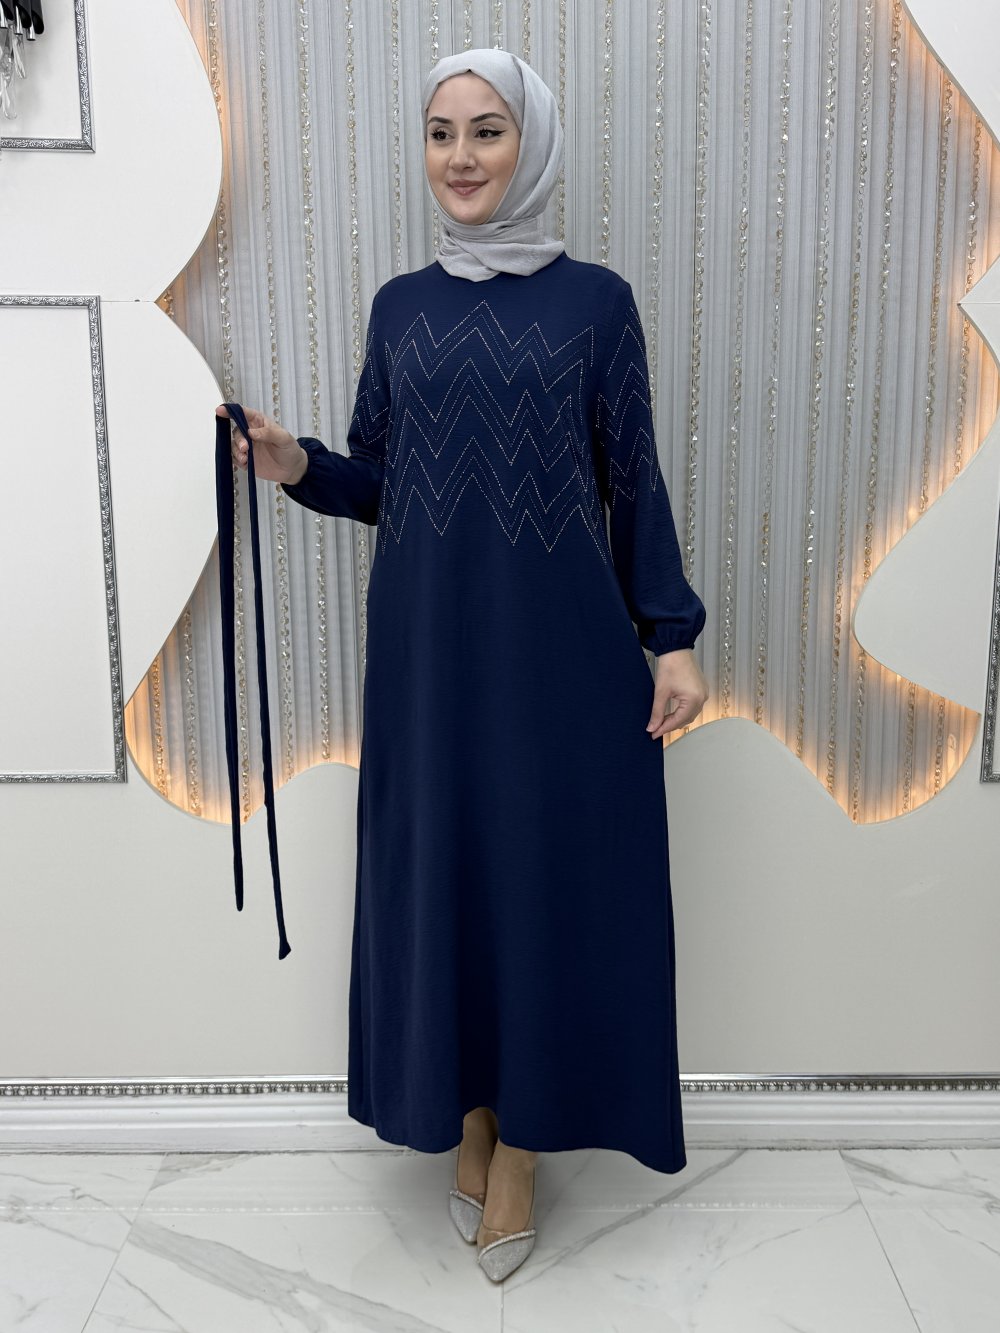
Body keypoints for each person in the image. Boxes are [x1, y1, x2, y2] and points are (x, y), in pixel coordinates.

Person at [217, 47, 708, 1283]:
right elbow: (383, 480)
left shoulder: (596, 305)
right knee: (451, 878)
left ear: (529, 143)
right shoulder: (402, 307)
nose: (462, 156)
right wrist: (294, 463)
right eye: (441, 133)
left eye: (487, 130)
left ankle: (523, 1142)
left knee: (540, 886)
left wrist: (673, 634)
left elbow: (632, 479)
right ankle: (473, 1113)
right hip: (429, 660)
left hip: (560, 660)